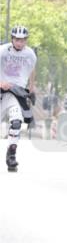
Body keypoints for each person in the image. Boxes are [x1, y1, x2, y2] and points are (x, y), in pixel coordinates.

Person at [0, 25, 37, 173]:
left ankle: (11, 155)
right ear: (12, 39)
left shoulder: (30, 54)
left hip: (16, 93)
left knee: (16, 121)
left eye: (22, 40)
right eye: (17, 40)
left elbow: (32, 69)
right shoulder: (3, 50)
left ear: (26, 40)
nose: (19, 43)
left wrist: (32, 86)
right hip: (1, 90)